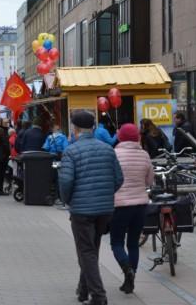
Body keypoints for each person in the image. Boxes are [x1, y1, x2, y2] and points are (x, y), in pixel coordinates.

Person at [59, 110, 123, 305]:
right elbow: (119, 179)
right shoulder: (107, 149)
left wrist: (67, 200)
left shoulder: (71, 150)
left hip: (82, 210)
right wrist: (105, 195)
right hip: (104, 210)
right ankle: (83, 289)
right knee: (91, 249)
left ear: (76, 129)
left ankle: (98, 296)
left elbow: (66, 180)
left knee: (86, 251)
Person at [111, 124, 154, 295]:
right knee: (133, 243)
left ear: (120, 137)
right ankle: (131, 278)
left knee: (116, 242)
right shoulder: (144, 155)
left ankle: (126, 267)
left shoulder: (114, 154)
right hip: (140, 205)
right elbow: (150, 181)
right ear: (137, 137)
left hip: (119, 205)